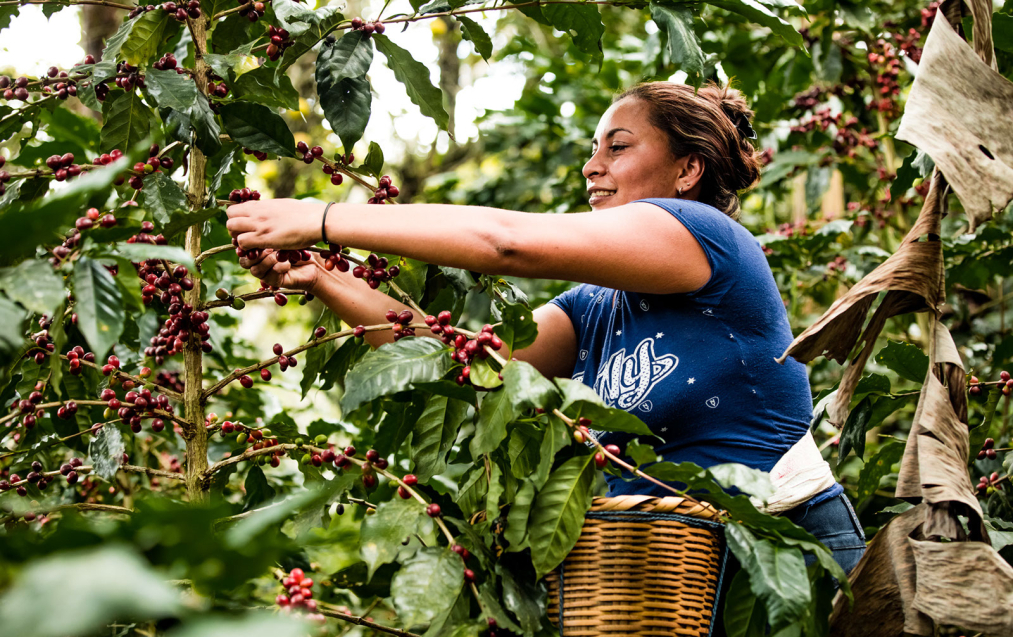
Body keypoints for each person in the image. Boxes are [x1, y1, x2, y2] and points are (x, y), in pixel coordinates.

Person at [224, 81, 866, 579]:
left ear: (686, 170)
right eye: (593, 148)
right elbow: (466, 367)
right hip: (663, 566)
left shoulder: (705, 238)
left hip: (786, 541)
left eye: (617, 146)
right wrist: (325, 280)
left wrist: (324, 217)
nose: (592, 165)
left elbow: (506, 243)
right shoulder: (595, 304)